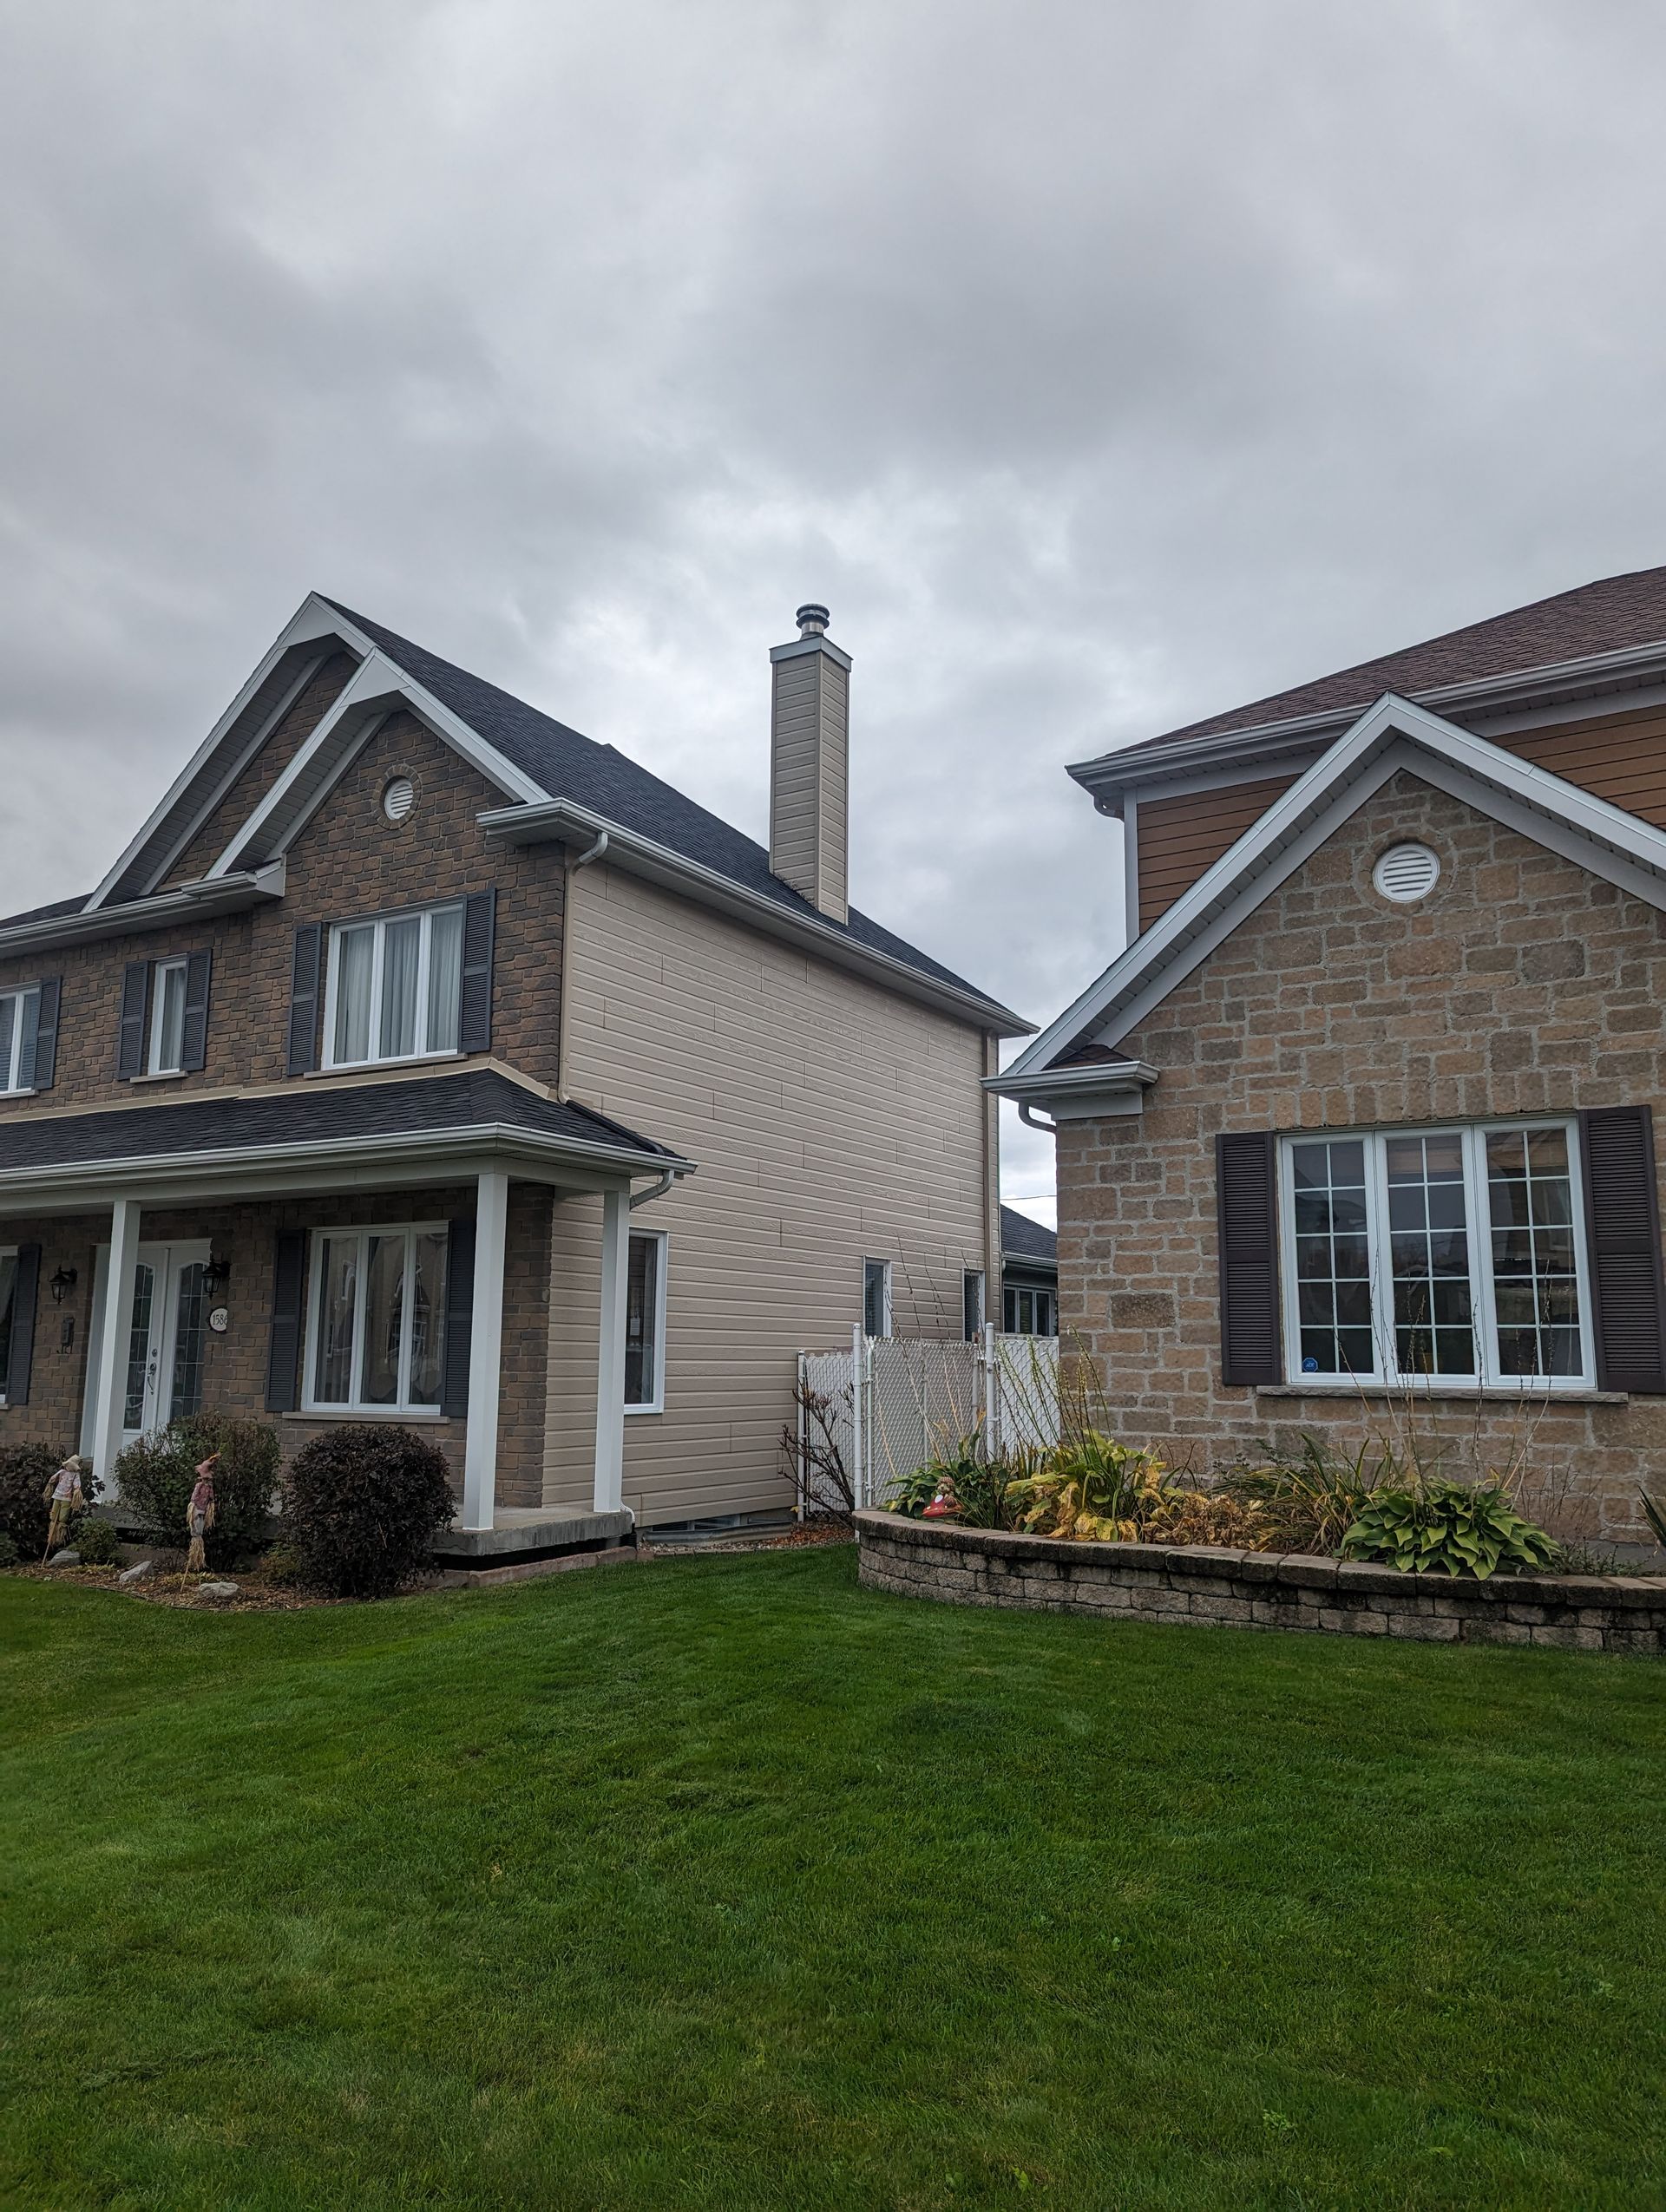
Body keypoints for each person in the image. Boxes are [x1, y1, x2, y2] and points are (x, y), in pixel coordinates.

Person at [42, 1456, 89, 1561]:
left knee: (63, 1517)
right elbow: (53, 1478)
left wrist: (77, 1491)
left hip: (67, 1499)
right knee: (53, 1516)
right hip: (57, 1496)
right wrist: (51, 1482)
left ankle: (59, 1533)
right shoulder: (62, 1472)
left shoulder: (75, 1475)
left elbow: (77, 1486)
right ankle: (52, 1533)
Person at [185, 1453, 220, 1574]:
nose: (208, 1481)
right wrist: (194, 1506)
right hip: (197, 1508)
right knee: (196, 1525)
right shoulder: (199, 1485)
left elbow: (211, 1497)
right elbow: (194, 1497)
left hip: (203, 1510)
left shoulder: (209, 1487)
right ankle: (196, 1537)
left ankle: (198, 1537)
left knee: (200, 1523)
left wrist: (211, 1503)